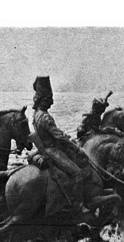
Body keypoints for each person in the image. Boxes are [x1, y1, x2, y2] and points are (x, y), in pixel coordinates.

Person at [31, 76, 91, 212]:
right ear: (42, 100)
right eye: (48, 99)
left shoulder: (36, 114)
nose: (51, 102)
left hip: (44, 147)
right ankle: (78, 205)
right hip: (53, 150)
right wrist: (77, 149)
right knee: (77, 173)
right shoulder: (45, 117)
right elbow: (58, 136)